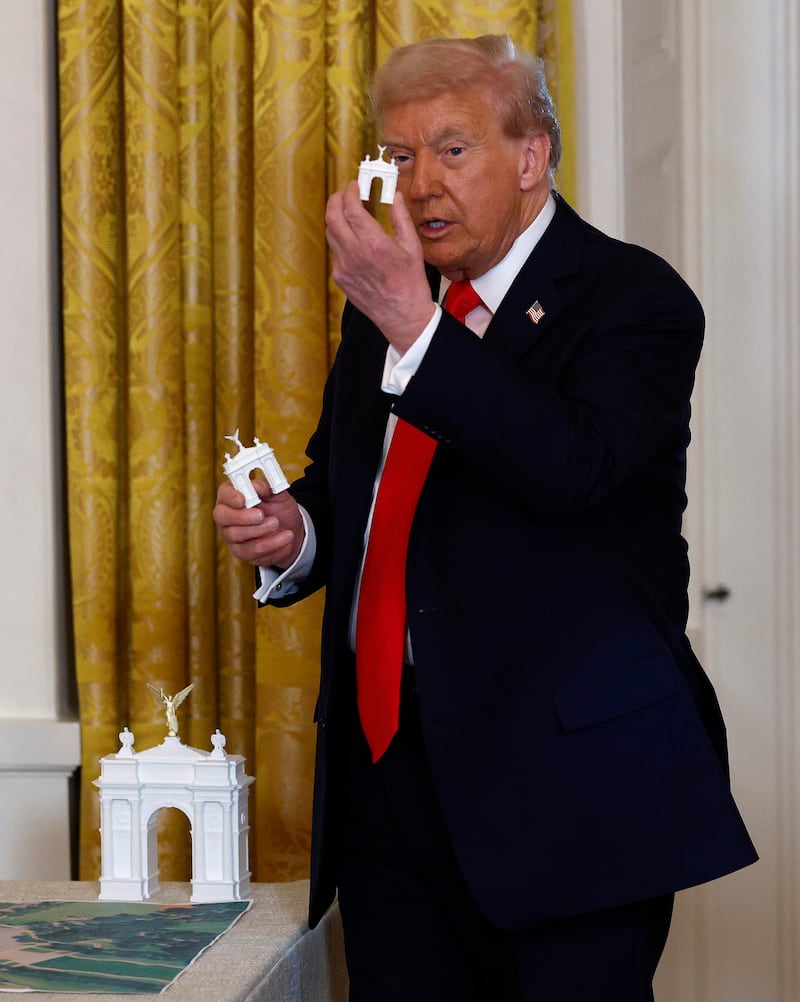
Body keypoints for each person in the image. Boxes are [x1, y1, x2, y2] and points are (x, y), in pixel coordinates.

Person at [214, 34, 757, 1002]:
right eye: (399, 154)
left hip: (564, 798)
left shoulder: (632, 301)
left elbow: (565, 466)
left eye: (451, 151)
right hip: (385, 788)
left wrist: (413, 329)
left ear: (530, 157)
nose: (419, 183)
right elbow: (362, 494)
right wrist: (294, 533)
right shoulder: (386, 307)